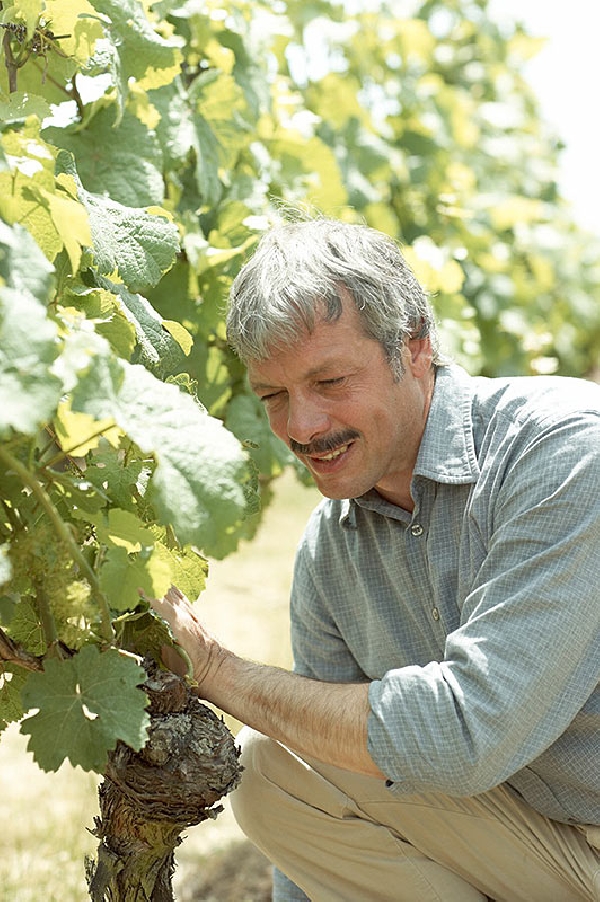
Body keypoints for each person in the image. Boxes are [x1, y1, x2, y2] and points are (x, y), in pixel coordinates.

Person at [150, 218, 600, 901]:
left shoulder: (564, 452)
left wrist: (215, 669)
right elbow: (324, 783)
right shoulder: (329, 551)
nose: (300, 427)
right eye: (274, 396)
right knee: (275, 772)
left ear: (414, 347)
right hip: (538, 846)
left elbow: (470, 729)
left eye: (329, 381)